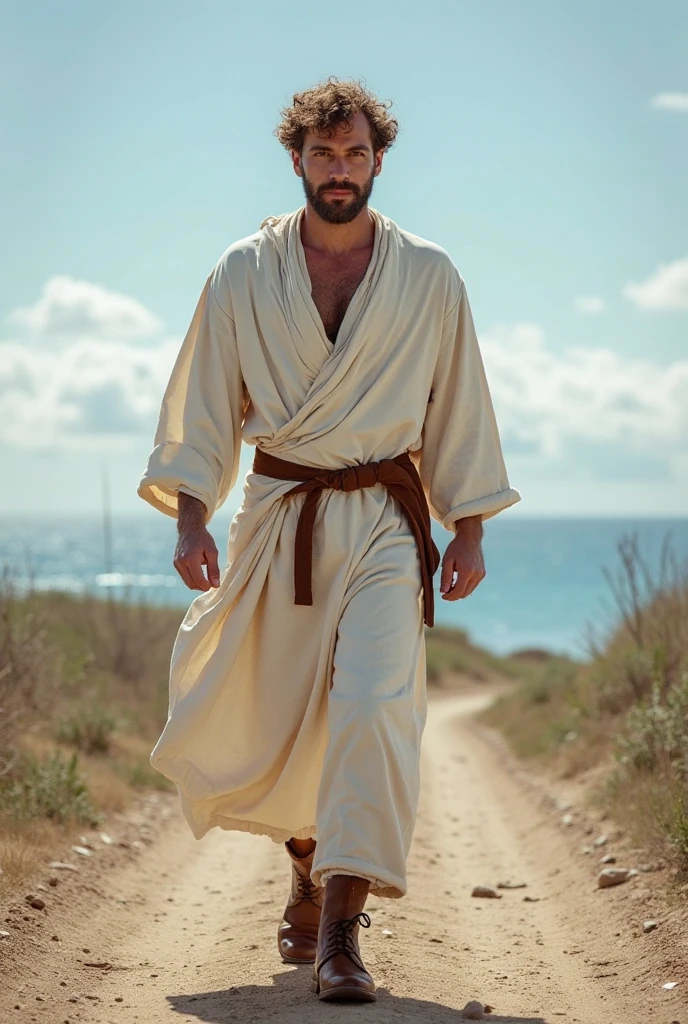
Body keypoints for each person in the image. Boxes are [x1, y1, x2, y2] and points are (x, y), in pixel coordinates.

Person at [136, 77, 521, 1003]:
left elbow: (459, 404)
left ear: (379, 160)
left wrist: (467, 526)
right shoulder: (242, 272)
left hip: (388, 518)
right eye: (323, 154)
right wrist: (190, 513)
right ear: (296, 160)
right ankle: (307, 865)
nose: (339, 170)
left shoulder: (429, 275)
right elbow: (205, 400)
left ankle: (342, 931)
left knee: (374, 704)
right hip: (283, 514)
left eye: (354, 154)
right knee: (293, 715)